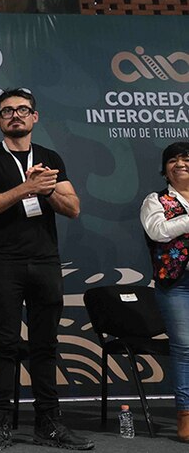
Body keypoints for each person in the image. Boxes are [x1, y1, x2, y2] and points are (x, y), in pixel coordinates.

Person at [0, 88, 92, 451]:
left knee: (45, 345)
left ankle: (49, 424)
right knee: (4, 344)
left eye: (22, 110)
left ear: (35, 117)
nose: (15, 116)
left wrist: (46, 188)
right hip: (6, 262)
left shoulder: (50, 158)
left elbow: (73, 208)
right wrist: (26, 187)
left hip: (46, 262)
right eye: (7, 111)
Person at [141, 141, 189, 442]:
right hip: (176, 284)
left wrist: (180, 224)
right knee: (185, 349)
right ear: (165, 169)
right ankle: (186, 414)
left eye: (186, 158)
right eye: (173, 160)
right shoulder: (154, 200)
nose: (180, 164)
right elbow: (158, 231)